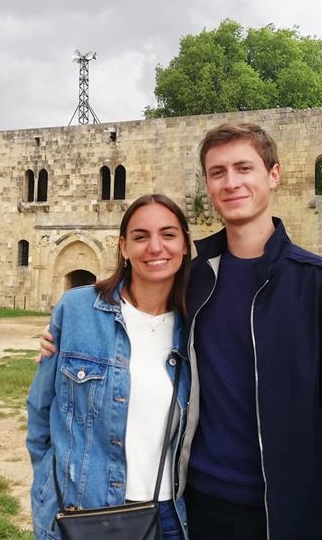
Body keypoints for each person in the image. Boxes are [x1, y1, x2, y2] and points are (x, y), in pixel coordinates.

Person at [39, 122, 322, 540]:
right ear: (207, 183)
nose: (231, 183)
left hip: (286, 508)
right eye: (218, 172)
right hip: (198, 504)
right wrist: (67, 330)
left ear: (274, 175)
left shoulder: (312, 284)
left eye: (244, 168)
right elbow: (133, 306)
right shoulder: (194, 280)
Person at [26, 194, 192, 540]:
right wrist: (47, 481)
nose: (155, 247)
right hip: (85, 512)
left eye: (168, 234)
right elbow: (40, 409)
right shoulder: (77, 310)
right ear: (123, 247)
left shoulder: (198, 324)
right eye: (140, 236)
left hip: (168, 516)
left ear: (186, 245)